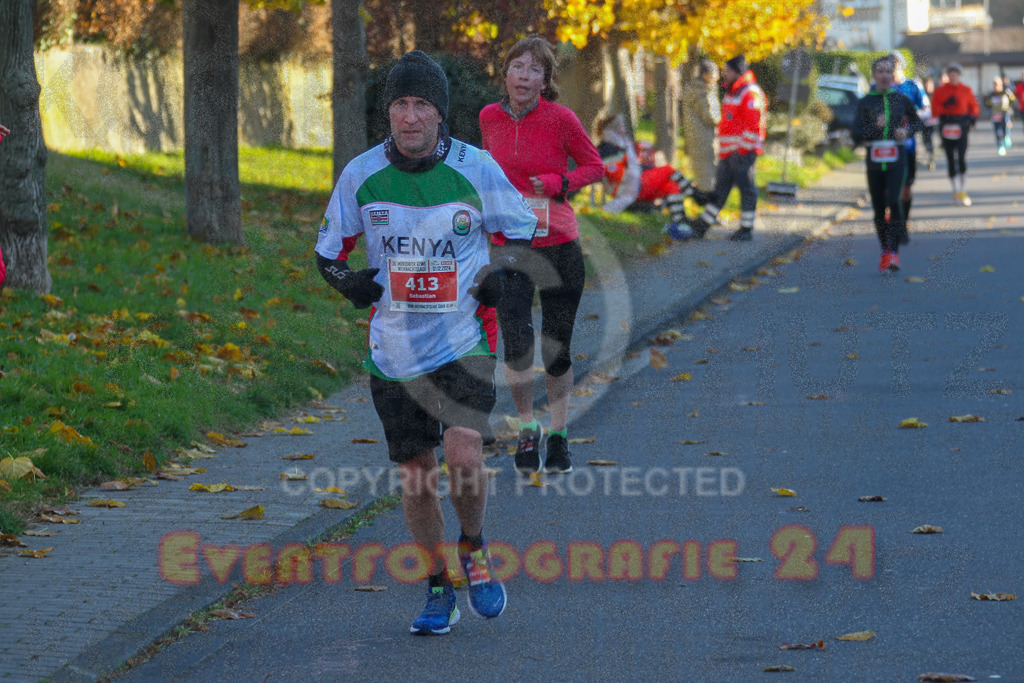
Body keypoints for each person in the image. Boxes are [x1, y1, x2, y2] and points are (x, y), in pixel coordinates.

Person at [315, 50, 537, 636]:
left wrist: (502, 276)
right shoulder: (361, 174)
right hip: (394, 354)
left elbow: (522, 230)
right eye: (400, 104)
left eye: (421, 105)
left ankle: (474, 547)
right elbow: (327, 252)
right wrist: (347, 283)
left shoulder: (476, 168)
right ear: (388, 111)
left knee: (463, 455)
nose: (410, 117)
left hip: (464, 342)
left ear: (440, 114)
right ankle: (439, 587)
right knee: (416, 476)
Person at [479, 35, 605, 476]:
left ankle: (559, 433)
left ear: (546, 80)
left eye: (534, 70)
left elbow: (595, 166)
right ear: (506, 74)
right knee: (516, 344)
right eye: (518, 67)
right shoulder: (489, 117)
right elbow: (487, 172)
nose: (524, 76)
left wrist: (558, 183)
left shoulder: (561, 119)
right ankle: (527, 427)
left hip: (558, 244)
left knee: (556, 348)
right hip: (510, 245)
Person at [677, 54, 766, 242]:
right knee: (720, 190)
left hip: (741, 152)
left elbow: (753, 126)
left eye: (727, 71)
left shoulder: (749, 93)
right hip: (729, 152)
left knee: (746, 189)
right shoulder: (733, 92)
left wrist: (742, 151)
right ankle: (702, 225)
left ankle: (746, 229)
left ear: (737, 72)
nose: (723, 74)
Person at [852, 56, 923, 273]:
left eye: (887, 72)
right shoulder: (865, 102)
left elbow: (918, 123)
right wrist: (875, 127)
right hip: (874, 162)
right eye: (880, 72)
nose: (884, 76)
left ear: (893, 75)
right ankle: (885, 249)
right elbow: (856, 134)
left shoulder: (901, 99)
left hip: (896, 160)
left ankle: (893, 252)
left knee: (895, 200)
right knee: (878, 208)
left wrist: (906, 131)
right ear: (874, 75)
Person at [596, 112, 697, 236]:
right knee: (667, 170)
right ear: (614, 129)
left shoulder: (622, 144)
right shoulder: (608, 147)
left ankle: (679, 221)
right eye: (622, 126)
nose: (624, 129)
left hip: (636, 183)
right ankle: (695, 194)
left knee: (671, 186)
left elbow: (631, 167)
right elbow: (616, 174)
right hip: (629, 188)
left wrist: (644, 166)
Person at [887, 52, 929, 233]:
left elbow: (927, 110)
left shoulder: (913, 86)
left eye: (894, 64)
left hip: (908, 146)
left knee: (906, 188)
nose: (891, 68)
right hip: (886, 147)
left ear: (901, 65)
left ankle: (903, 222)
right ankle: (892, 221)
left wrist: (910, 119)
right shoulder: (879, 87)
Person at [931, 62, 979, 206]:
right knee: (950, 158)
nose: (953, 77)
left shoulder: (966, 90)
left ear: (959, 75)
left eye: (955, 74)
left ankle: (963, 189)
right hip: (946, 125)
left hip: (961, 126)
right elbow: (934, 109)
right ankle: (956, 190)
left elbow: (974, 106)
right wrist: (944, 107)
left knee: (961, 156)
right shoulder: (940, 91)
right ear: (948, 75)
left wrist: (973, 117)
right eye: (951, 74)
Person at [680, 59, 721, 197]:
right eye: (715, 73)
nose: (718, 77)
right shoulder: (702, 92)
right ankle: (706, 201)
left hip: (696, 136)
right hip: (704, 137)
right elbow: (710, 117)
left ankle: (703, 197)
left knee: (701, 169)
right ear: (705, 75)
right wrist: (726, 120)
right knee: (707, 171)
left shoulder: (695, 88)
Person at [984, 76, 1016, 155]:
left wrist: (1010, 116)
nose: (996, 86)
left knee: (1006, 129)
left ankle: (1007, 137)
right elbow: (987, 104)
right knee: (998, 132)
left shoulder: (1006, 93)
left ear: (1001, 84)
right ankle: (1001, 146)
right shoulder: (991, 95)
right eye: (995, 85)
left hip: (1005, 115)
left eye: (998, 84)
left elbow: (1013, 101)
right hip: (995, 116)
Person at [921, 77, 938, 170]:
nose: (927, 86)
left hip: (935, 123)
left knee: (934, 141)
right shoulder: (922, 95)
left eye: (929, 83)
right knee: (926, 141)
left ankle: (932, 159)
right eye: (926, 84)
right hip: (925, 123)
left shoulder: (936, 94)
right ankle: (929, 157)